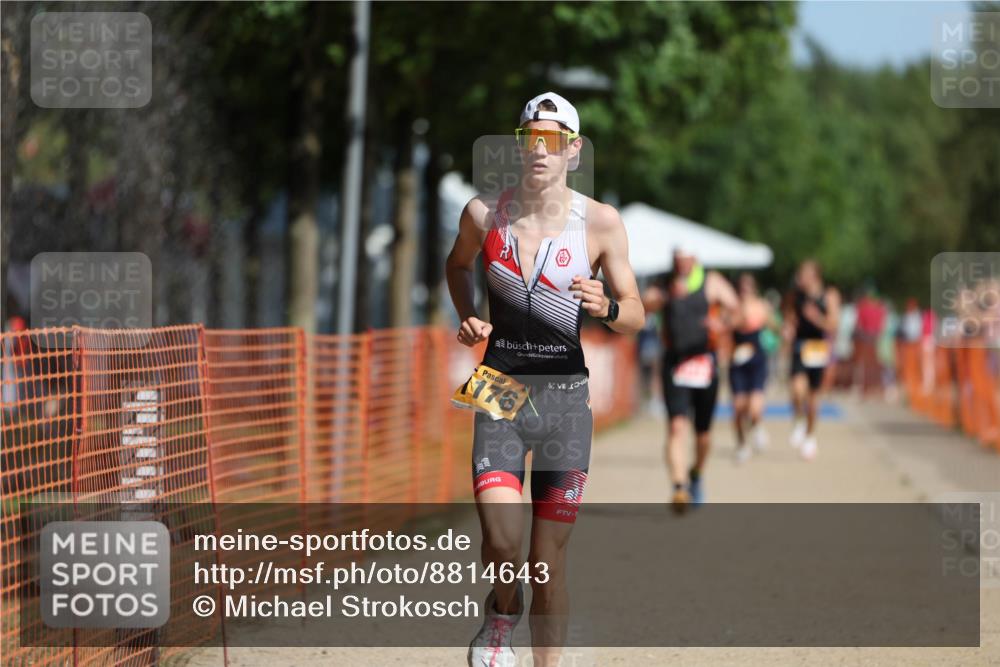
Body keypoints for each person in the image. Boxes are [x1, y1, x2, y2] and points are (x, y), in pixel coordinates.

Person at [445, 92, 643, 667]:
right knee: (502, 545)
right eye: (528, 136)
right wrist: (466, 314)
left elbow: (636, 313)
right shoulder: (483, 214)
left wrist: (606, 306)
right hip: (499, 388)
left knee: (546, 561)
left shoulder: (600, 223)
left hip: (565, 400)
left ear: (572, 152)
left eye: (552, 141)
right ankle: (501, 615)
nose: (538, 148)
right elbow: (456, 265)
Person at [642, 248, 739, 513]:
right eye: (676, 258)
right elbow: (644, 303)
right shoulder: (665, 282)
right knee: (676, 427)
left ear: (695, 258)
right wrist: (664, 296)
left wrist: (722, 323)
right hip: (675, 363)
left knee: (703, 434)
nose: (680, 263)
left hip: (704, 363)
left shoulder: (711, 281)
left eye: (685, 258)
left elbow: (736, 309)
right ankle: (679, 487)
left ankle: (695, 473)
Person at [784, 260, 841, 460]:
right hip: (800, 347)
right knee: (797, 389)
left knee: (813, 397)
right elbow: (790, 319)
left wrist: (817, 317)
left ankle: (810, 435)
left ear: (815, 276)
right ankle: (799, 419)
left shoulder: (829, 295)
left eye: (803, 275)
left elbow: (834, 325)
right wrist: (788, 330)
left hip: (818, 348)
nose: (800, 279)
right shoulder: (796, 297)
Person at [729, 273, 773, 464]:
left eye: (748, 287)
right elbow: (730, 324)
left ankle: (757, 425)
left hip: (757, 360)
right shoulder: (732, 306)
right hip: (738, 362)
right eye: (742, 287)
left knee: (755, 407)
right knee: (739, 407)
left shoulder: (762, 306)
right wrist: (741, 316)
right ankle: (741, 444)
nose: (745, 290)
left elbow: (773, 325)